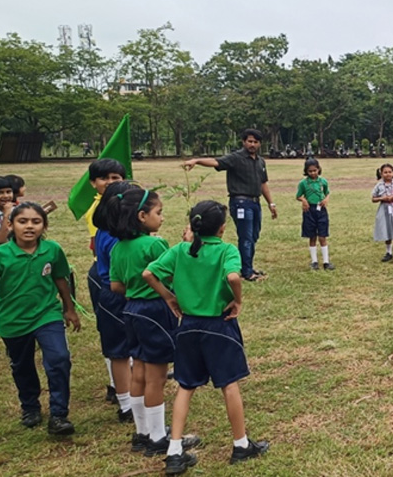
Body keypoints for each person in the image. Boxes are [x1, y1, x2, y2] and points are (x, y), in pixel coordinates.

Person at [143, 201, 269, 474]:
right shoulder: (226, 250)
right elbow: (234, 277)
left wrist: (168, 296)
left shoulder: (180, 250)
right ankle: (240, 444)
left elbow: (148, 273)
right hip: (218, 327)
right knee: (229, 383)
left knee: (185, 385)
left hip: (187, 326)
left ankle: (175, 449)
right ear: (223, 228)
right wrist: (237, 301)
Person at [0, 202, 80, 434]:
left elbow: (60, 280)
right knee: (22, 366)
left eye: (36, 222)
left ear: (44, 225)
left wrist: (69, 308)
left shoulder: (52, 250)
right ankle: (30, 406)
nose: (29, 226)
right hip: (14, 321)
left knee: (59, 359)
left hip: (47, 315)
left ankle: (59, 415)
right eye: (22, 221)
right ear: (10, 224)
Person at [106, 188, 200, 456]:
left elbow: (115, 285)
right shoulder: (154, 245)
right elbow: (173, 275)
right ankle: (158, 437)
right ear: (142, 216)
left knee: (140, 370)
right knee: (157, 376)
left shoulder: (118, 248)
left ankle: (141, 432)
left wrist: (135, 291)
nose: (162, 218)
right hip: (156, 311)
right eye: (158, 213)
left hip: (131, 310)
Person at [183, 129, 278, 282]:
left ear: (260, 143)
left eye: (255, 142)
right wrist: (196, 161)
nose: (252, 144)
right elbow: (216, 162)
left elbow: (263, 183)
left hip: (255, 202)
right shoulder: (236, 158)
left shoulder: (260, 161)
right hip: (241, 203)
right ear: (244, 142)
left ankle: (247, 266)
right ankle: (247, 272)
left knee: (254, 235)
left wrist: (271, 203)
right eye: (249, 141)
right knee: (246, 237)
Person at [92, 181, 138, 423]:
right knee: (120, 352)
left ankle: (127, 402)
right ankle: (127, 404)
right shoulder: (117, 240)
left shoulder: (106, 230)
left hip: (111, 295)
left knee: (121, 352)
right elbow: (125, 276)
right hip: (119, 295)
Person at [84, 159, 126, 404]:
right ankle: (116, 384)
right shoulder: (100, 212)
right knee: (112, 333)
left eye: (116, 178)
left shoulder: (122, 202)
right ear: (93, 183)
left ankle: (122, 381)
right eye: (105, 178)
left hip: (109, 272)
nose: (110, 183)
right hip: (107, 273)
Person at [296, 158, 334, 271]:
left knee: (322, 236)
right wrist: (303, 200)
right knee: (312, 236)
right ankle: (314, 261)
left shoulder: (323, 182)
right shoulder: (303, 183)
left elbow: (327, 192)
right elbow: (298, 196)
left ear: (319, 169)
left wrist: (326, 199)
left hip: (321, 209)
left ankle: (326, 261)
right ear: (306, 171)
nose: (313, 173)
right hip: (309, 211)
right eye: (310, 171)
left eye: (315, 170)